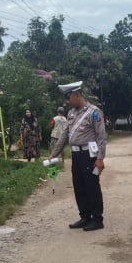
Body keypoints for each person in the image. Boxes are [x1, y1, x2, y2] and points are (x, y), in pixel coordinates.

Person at [49, 81, 107, 231]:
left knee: (91, 186)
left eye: (69, 98)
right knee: (79, 187)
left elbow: (101, 137)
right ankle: (85, 216)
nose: (68, 102)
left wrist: (100, 159)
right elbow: (64, 135)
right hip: (76, 155)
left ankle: (97, 219)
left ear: (76, 95)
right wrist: (53, 153)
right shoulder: (71, 113)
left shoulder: (94, 112)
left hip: (89, 155)